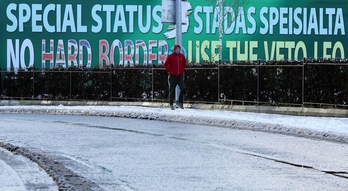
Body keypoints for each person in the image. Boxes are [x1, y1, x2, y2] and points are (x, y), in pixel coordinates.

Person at [164, 44, 187, 110]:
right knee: (172, 90)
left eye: (178, 49)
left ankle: (179, 102)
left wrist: (182, 70)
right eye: (176, 49)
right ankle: (171, 104)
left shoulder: (182, 56)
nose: (177, 50)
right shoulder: (170, 56)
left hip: (180, 76)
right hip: (173, 76)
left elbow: (184, 64)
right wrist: (170, 71)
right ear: (174, 49)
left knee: (182, 88)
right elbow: (166, 64)